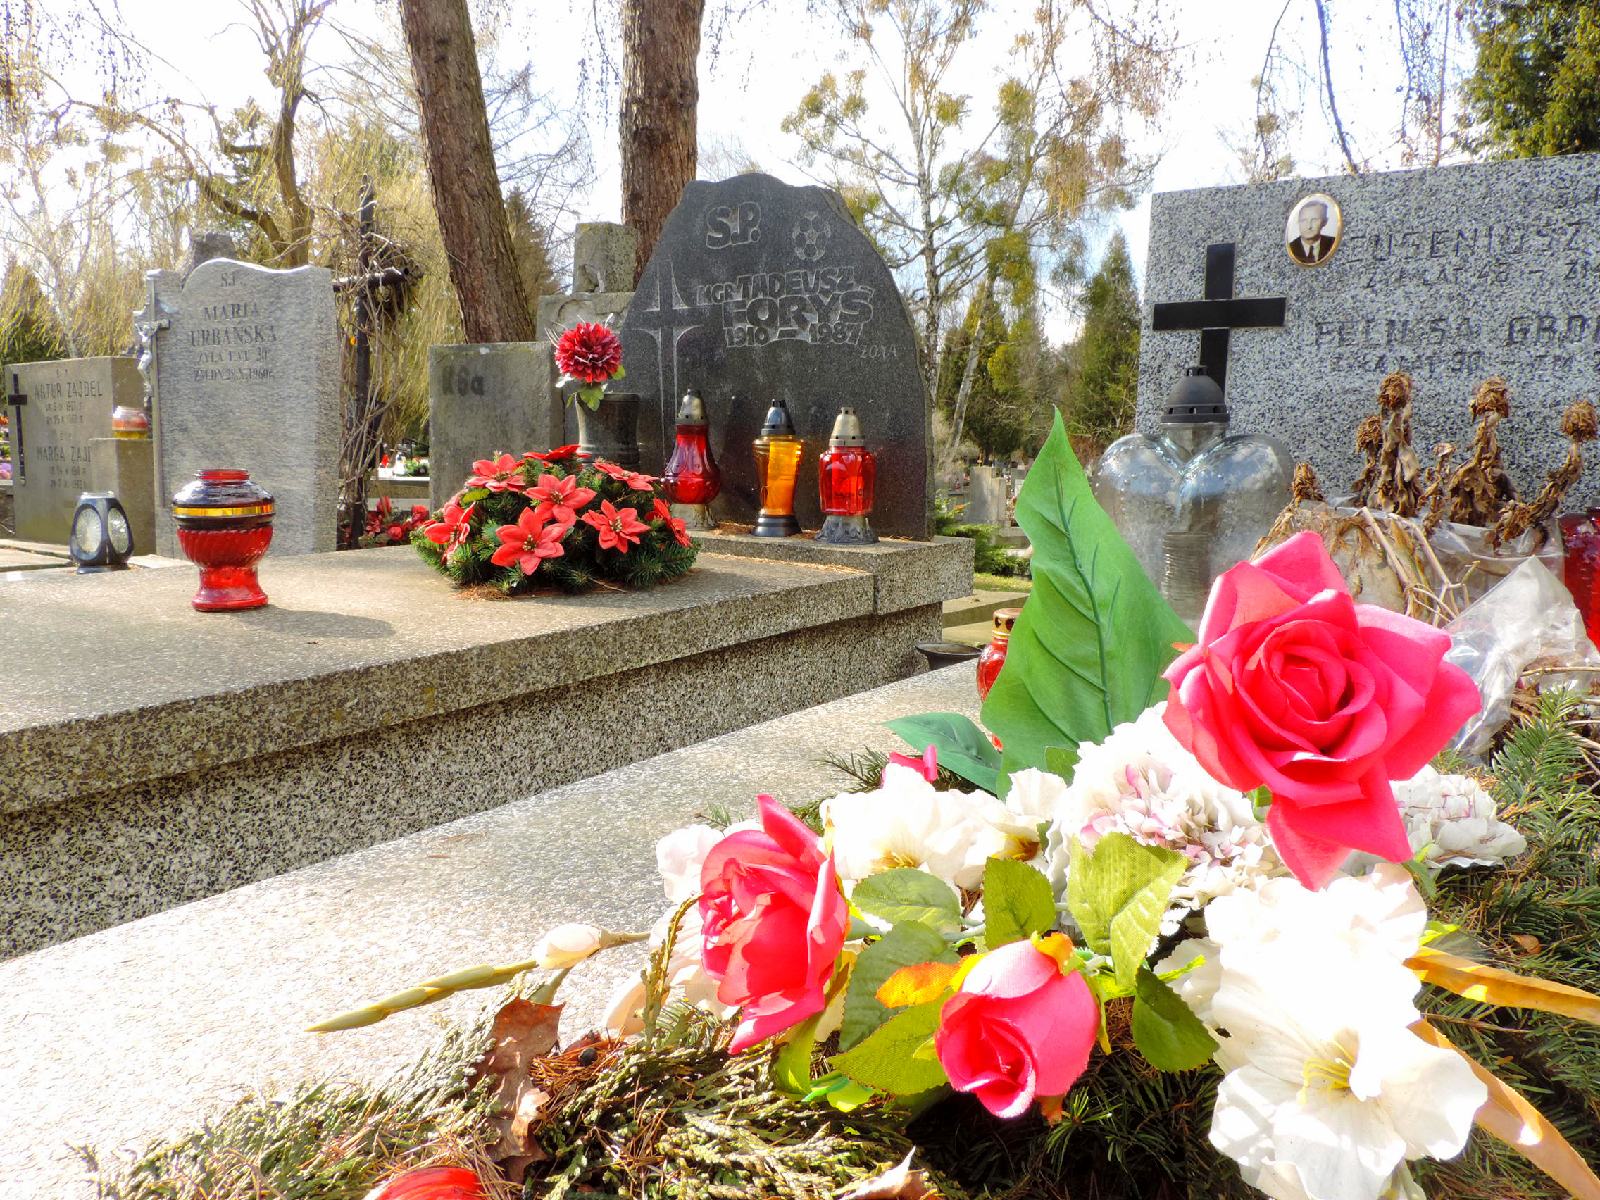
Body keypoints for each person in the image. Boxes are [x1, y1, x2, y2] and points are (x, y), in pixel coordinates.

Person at [1288, 200, 1336, 265]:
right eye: (1303, 220)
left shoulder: (1333, 243)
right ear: (1298, 222)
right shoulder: (1291, 248)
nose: (1309, 226)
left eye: (1314, 220)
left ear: (1325, 222)